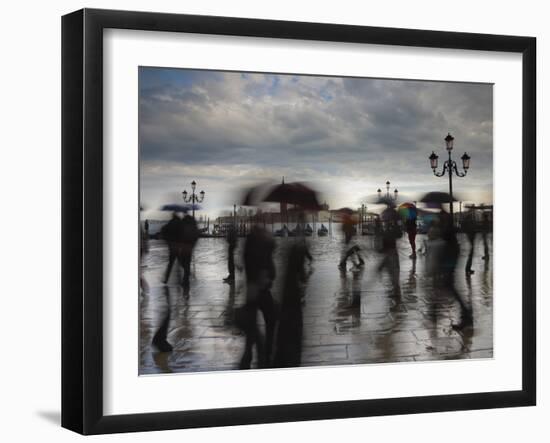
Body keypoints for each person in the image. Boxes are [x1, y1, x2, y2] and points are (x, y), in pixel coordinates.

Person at [274, 227, 313, 368]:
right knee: (295, 324)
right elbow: (302, 275)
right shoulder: (299, 252)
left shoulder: (291, 251)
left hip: (287, 293)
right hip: (294, 295)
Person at [239, 225, 276, 369]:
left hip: (251, 290)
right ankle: (266, 353)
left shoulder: (249, 244)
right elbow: (271, 270)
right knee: (270, 321)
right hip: (262, 291)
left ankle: (249, 355)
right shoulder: (263, 248)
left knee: (252, 325)